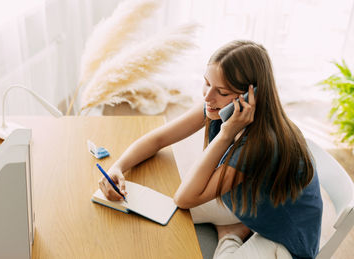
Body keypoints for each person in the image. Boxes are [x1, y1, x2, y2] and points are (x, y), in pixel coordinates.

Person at [98, 40, 323, 259]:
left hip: (284, 240)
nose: (207, 97)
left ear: (250, 97)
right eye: (207, 83)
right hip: (250, 201)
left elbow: (184, 198)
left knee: (177, 207)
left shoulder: (259, 145)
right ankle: (235, 226)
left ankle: (231, 235)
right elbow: (159, 139)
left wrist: (225, 134)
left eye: (222, 92)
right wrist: (118, 167)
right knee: (158, 212)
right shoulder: (218, 106)